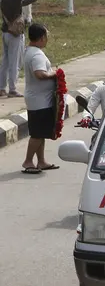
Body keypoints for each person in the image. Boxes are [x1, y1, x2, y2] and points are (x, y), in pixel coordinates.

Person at [20, 23, 60, 174]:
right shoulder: (36, 54)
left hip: (39, 99)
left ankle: (41, 161)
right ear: (42, 37)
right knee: (37, 134)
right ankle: (28, 161)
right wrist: (55, 74)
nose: (47, 39)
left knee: (42, 132)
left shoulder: (31, 51)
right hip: (39, 101)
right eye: (46, 36)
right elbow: (40, 74)